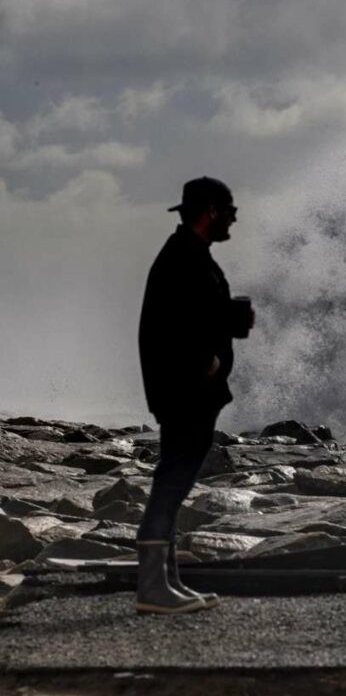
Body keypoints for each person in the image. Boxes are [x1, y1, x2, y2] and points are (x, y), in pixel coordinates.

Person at [135, 176, 252, 614]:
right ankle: (152, 587)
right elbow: (176, 326)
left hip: (188, 391)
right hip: (186, 392)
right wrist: (211, 364)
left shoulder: (188, 254)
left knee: (175, 479)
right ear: (212, 213)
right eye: (231, 213)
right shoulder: (183, 258)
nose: (233, 223)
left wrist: (229, 320)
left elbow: (196, 313)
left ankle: (166, 580)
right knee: (172, 480)